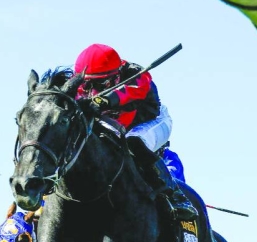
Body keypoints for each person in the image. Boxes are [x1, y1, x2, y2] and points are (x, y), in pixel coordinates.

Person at [74, 43, 196, 220]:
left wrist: (104, 101)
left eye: (100, 83)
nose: (92, 91)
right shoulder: (75, 84)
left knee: (134, 142)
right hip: (117, 127)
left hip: (151, 123)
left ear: (117, 75)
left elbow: (134, 90)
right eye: (86, 85)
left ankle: (175, 196)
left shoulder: (135, 75)